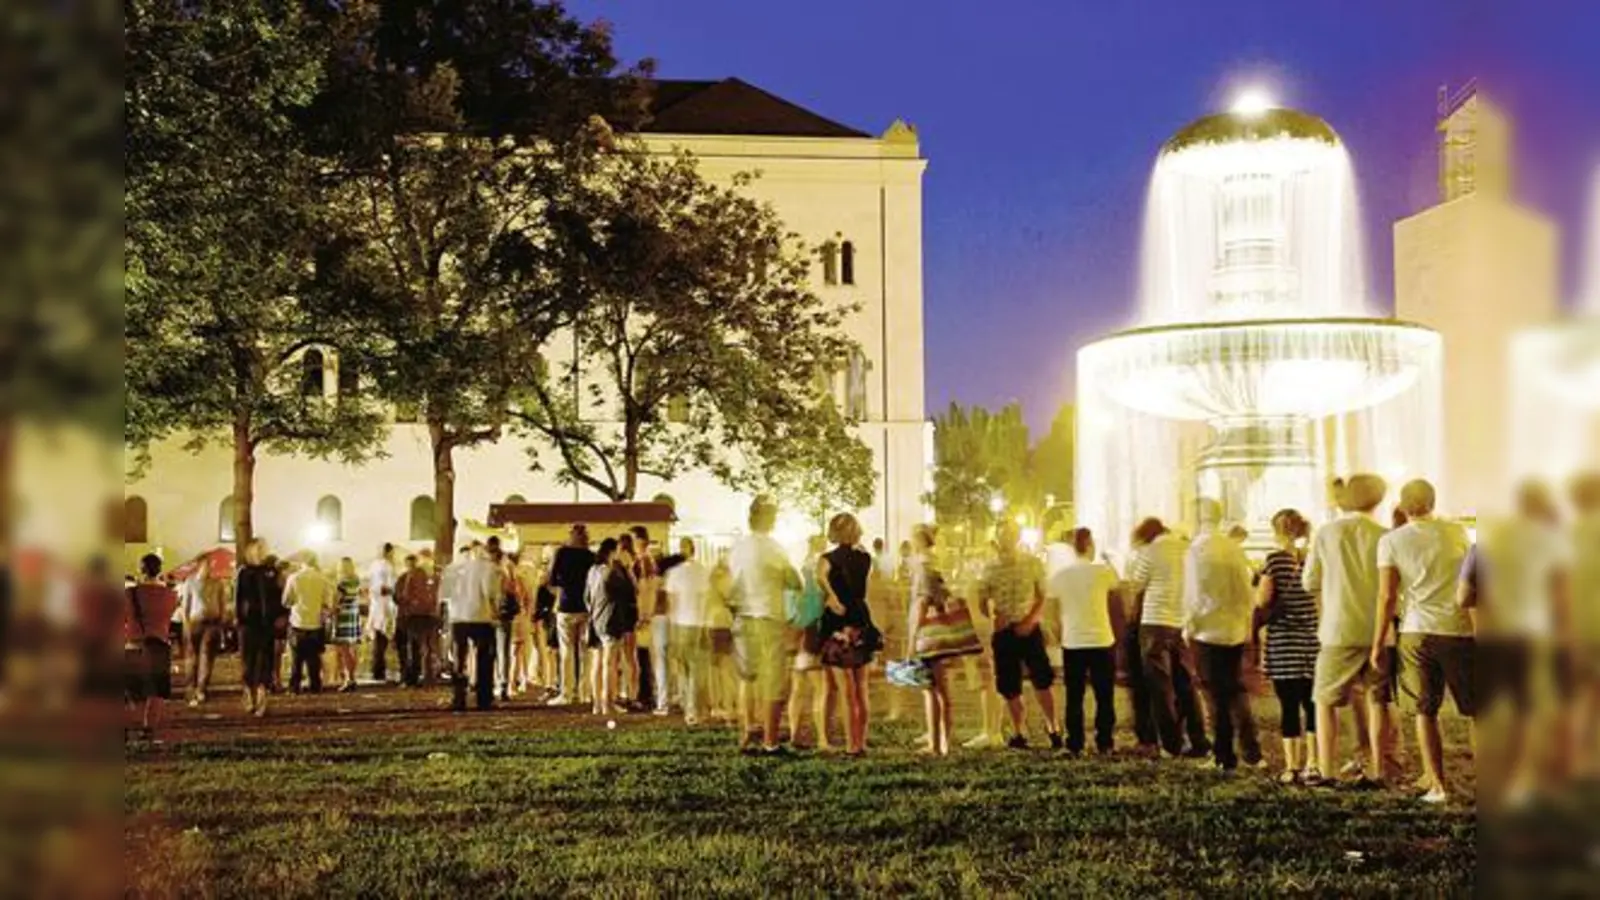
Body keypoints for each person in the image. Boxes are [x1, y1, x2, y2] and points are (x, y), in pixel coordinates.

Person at [1373, 479, 1475, 804]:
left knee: (1424, 710)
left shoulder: (1391, 541)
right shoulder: (1457, 532)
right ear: (1434, 501)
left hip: (1416, 629)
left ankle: (1438, 785)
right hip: (1457, 627)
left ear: (1402, 506)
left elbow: (1388, 595)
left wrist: (1378, 640)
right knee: (1477, 711)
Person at [1468, 479, 1569, 806]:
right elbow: (1560, 592)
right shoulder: (1551, 542)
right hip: (1535, 631)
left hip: (1497, 632)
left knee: (1493, 711)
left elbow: (1474, 590)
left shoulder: (1494, 541)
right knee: (1531, 709)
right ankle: (1523, 780)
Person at [1303, 473, 1394, 787]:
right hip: (1378, 631)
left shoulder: (1327, 533)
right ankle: (1378, 769)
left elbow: (1309, 581)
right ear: (1379, 499)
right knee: (1377, 699)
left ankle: (1326, 770)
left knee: (1325, 701)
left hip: (1338, 629)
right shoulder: (1386, 535)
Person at [1185, 499, 1264, 772]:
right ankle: (1252, 752)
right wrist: (1244, 624)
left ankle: (1223, 755)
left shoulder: (1197, 549)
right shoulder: (1232, 548)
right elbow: (1246, 590)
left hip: (1207, 630)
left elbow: (1193, 594)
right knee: (1236, 689)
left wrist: (1189, 626)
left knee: (1213, 695)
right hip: (1232, 629)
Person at [1126, 517, 1209, 759]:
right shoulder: (1187, 549)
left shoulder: (1151, 551)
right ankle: (1199, 739)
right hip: (1178, 623)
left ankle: (1171, 744)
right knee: (1185, 684)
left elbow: (1136, 584)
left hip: (1153, 624)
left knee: (1160, 688)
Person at [728, 496, 802, 755]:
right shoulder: (774, 548)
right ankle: (770, 741)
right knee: (773, 681)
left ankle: (748, 731)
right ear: (768, 518)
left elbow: (731, 584)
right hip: (769, 618)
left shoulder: (737, 549)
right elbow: (794, 581)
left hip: (742, 617)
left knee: (747, 678)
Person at [980, 520, 1063, 750]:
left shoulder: (1032, 563)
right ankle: (1020, 731)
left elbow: (1042, 596)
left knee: (1042, 680)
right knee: (1009, 685)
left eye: (1010, 534)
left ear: (1017, 537)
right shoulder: (990, 568)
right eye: (1002, 534)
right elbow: (981, 599)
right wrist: (993, 617)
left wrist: (1030, 620)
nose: (1006, 539)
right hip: (1004, 631)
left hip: (1029, 628)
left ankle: (1053, 728)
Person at [1257, 509, 1321, 784]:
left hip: (1284, 642)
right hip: (1312, 641)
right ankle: (1315, 763)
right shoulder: (1313, 560)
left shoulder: (1274, 560)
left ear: (1277, 530)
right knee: (1313, 706)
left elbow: (1262, 600)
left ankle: (1292, 766)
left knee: (1289, 707)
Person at [1048, 527, 1119, 756]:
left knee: (1074, 695)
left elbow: (1051, 608)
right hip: (1102, 639)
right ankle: (1105, 741)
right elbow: (1117, 586)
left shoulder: (1061, 576)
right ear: (1090, 546)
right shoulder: (1103, 572)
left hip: (1074, 640)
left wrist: (1057, 631)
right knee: (1104, 695)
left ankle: (1075, 742)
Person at [818, 513, 879, 756]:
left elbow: (819, 578)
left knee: (846, 690)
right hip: (861, 620)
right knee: (862, 687)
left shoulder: (826, 559)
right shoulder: (865, 558)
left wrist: (831, 596)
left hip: (838, 623)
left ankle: (850, 745)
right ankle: (860, 742)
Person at [907, 524, 957, 756]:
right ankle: (941, 740)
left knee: (933, 689)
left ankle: (937, 745)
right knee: (939, 689)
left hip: (928, 633)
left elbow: (923, 601)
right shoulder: (935, 564)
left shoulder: (924, 567)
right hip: (939, 631)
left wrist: (912, 639)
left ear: (919, 540)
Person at [789, 535, 836, 750]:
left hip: (800, 636)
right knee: (822, 689)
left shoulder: (804, 578)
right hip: (813, 636)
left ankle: (793, 734)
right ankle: (823, 740)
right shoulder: (820, 576)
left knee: (798, 690)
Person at [125, 553, 178, 741]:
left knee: (133, 689)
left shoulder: (130, 593)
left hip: (133, 643)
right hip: (159, 642)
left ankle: (129, 724)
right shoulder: (171, 595)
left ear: (141, 569)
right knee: (156, 690)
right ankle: (148, 728)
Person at [665, 538, 713, 725]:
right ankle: (695, 709)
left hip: (680, 623)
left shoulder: (674, 573)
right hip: (699, 623)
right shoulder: (703, 572)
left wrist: (671, 626)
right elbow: (706, 600)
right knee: (697, 669)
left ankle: (689, 706)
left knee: (684, 668)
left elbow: (671, 602)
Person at [588, 538, 638, 716]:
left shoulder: (593, 571)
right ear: (612, 552)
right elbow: (630, 591)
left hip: (595, 620)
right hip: (611, 620)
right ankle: (607, 703)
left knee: (597, 663)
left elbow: (587, 597)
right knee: (609, 663)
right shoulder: (612, 572)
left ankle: (597, 704)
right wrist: (627, 568)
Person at [448, 544, 500, 712]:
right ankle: (483, 698)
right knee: (484, 658)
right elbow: (490, 592)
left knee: (459, 659)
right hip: (481, 616)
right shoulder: (488, 568)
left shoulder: (454, 569)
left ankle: (458, 698)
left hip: (457, 616)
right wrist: (495, 612)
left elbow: (445, 595)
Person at [548, 525, 595, 706]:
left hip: (566, 606)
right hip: (586, 608)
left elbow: (552, 580)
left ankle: (567, 693)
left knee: (567, 652)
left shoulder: (561, 553)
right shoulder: (591, 556)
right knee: (585, 652)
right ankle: (585, 693)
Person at [234, 539, 282, 717]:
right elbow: (238, 597)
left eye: (264, 548)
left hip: (267, 623)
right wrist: (239, 618)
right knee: (248, 661)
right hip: (249, 623)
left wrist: (279, 615)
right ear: (251, 551)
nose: (262, 552)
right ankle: (249, 693)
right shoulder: (244, 573)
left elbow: (278, 595)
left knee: (266, 661)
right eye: (259, 548)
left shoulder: (271, 572)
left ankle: (262, 697)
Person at [630, 527, 671, 716]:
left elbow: (646, 590)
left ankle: (647, 696)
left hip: (649, 616)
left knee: (646, 657)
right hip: (652, 615)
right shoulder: (648, 561)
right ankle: (649, 695)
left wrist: (644, 615)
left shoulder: (644, 561)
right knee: (647, 658)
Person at [179, 553, 227, 707]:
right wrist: (186, 625)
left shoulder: (217, 583)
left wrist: (222, 619)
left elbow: (222, 603)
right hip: (195, 622)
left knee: (207, 657)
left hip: (212, 623)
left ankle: (202, 688)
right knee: (192, 657)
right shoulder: (190, 583)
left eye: (210, 564)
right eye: (207, 564)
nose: (210, 568)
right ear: (200, 566)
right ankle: (190, 688)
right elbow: (185, 606)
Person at [283, 552, 332, 694]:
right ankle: (315, 685)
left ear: (302, 563)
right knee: (314, 658)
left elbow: (286, 601)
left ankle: (294, 686)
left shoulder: (294, 578)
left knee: (296, 658)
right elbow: (327, 602)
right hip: (315, 623)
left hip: (298, 622)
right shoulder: (323, 579)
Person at [396, 553, 441, 689]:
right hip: (427, 614)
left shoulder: (409, 577)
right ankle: (426, 677)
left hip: (414, 615)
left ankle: (413, 677)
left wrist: (406, 604)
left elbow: (402, 596)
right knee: (425, 646)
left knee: (414, 647)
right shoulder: (431, 576)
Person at [366, 543, 398, 684]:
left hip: (376, 605)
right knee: (382, 639)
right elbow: (391, 587)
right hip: (384, 605)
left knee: (378, 639)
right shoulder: (387, 566)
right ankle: (378, 670)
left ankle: (377, 669)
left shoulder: (373, 565)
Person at [331, 557, 363, 691]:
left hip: (343, 617)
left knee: (344, 650)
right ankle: (352, 677)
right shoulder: (356, 581)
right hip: (353, 616)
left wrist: (331, 611)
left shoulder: (342, 584)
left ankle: (349, 679)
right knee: (351, 649)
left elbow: (337, 602)